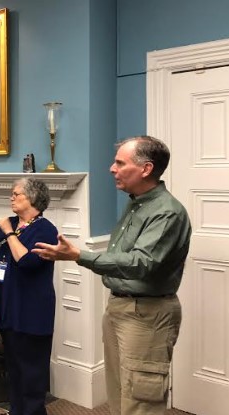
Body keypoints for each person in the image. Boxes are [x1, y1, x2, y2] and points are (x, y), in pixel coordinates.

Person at [32, 136, 192, 415]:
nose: (111, 168)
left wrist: (79, 255)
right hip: (120, 308)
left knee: (142, 400)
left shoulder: (167, 212)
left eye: (120, 162)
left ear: (146, 169)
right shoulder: (137, 203)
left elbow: (142, 263)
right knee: (120, 394)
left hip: (147, 314)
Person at [0, 178, 58, 415]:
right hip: (7, 309)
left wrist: (9, 233)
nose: (11, 197)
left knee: (32, 371)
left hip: (31, 311)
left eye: (16, 194)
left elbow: (27, 261)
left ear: (32, 198)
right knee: (13, 368)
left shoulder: (45, 229)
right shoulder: (9, 222)